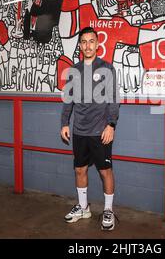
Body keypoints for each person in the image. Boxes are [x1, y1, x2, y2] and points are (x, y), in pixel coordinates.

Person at [60, 26, 120, 231]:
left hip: (100, 131)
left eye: (91, 41)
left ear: (97, 43)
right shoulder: (73, 71)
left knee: (105, 172)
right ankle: (84, 207)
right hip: (79, 131)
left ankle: (108, 210)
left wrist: (111, 125)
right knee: (79, 169)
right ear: (80, 45)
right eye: (84, 42)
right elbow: (68, 101)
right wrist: (64, 123)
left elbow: (113, 100)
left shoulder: (107, 68)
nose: (87, 45)